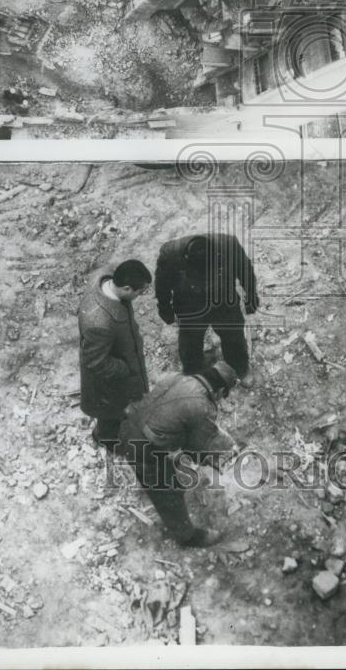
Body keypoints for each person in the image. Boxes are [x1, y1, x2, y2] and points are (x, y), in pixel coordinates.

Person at [118, 362, 238, 547]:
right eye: (223, 395)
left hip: (126, 425)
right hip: (143, 449)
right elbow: (197, 446)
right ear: (220, 390)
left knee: (160, 471)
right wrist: (213, 458)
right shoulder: (202, 406)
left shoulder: (176, 377)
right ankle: (186, 536)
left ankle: (146, 476)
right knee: (169, 493)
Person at [155, 233, 259, 387]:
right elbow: (162, 286)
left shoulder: (228, 245)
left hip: (224, 301)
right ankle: (194, 375)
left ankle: (240, 368)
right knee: (190, 344)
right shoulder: (170, 255)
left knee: (234, 336)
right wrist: (166, 311)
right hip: (190, 306)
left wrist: (251, 297)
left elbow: (246, 271)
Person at [78, 259, 152, 452]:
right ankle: (105, 440)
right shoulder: (99, 323)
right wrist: (124, 369)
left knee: (122, 409)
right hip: (109, 383)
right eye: (140, 291)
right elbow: (95, 361)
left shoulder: (109, 280)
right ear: (126, 288)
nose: (140, 295)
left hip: (123, 359)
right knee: (111, 414)